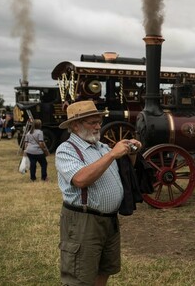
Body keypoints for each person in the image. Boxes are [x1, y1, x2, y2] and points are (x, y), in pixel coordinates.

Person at [55, 100, 141, 286]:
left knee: (104, 270)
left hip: (109, 221)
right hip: (83, 222)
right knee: (79, 277)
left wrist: (131, 151)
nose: (97, 126)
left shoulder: (101, 147)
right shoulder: (66, 150)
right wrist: (112, 154)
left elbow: (123, 171)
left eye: (98, 122)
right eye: (92, 122)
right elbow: (80, 179)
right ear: (75, 125)